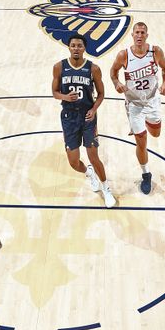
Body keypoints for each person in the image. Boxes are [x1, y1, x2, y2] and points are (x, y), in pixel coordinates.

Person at [52, 33, 115, 208]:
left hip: (87, 117)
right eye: (73, 45)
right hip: (69, 117)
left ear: (84, 48)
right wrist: (65, 96)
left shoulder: (93, 69)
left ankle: (106, 189)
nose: (76, 48)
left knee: (94, 156)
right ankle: (88, 173)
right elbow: (54, 92)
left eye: (79, 45)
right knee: (73, 162)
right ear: (69, 47)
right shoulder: (59, 67)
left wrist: (94, 109)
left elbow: (101, 93)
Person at [110, 22, 165, 195]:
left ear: (146, 35)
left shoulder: (155, 52)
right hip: (134, 104)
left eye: (142, 32)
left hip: (152, 100)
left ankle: (147, 121)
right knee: (141, 141)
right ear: (132, 35)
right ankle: (146, 174)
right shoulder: (124, 55)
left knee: (156, 133)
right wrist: (117, 83)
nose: (139, 35)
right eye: (136, 32)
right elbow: (113, 72)